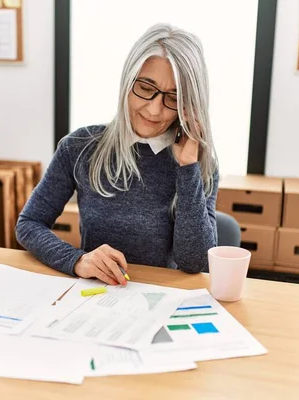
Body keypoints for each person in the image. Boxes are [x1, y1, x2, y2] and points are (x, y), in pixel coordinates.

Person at [16, 23, 219, 286]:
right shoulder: (79, 146)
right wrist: (77, 260)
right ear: (127, 81)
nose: (155, 110)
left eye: (173, 98)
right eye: (146, 88)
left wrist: (187, 167)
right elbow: (29, 223)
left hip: (160, 299)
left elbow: (196, 262)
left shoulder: (198, 164)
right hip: (96, 298)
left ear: (188, 104)